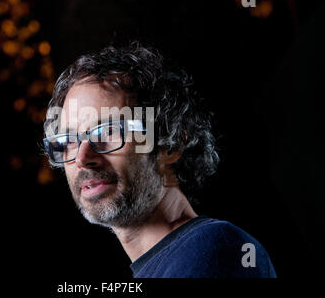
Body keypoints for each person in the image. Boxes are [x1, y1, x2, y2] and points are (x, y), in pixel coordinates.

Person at [42, 41, 277, 278]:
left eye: (108, 130)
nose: (82, 157)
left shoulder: (212, 252)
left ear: (171, 144)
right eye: (69, 140)